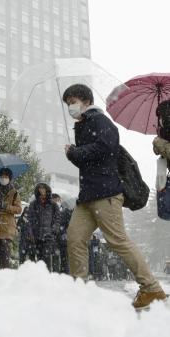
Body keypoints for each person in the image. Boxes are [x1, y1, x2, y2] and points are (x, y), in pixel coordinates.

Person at [62, 83, 166, 310]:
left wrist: (75, 152)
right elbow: (87, 158)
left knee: (117, 240)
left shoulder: (100, 121)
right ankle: (78, 289)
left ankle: (151, 288)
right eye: (68, 103)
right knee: (75, 238)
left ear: (86, 100)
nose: (71, 106)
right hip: (87, 196)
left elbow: (106, 148)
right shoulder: (82, 125)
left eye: (73, 101)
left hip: (106, 193)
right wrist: (74, 153)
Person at [0, 168, 22, 269]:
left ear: (9, 178)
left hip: (7, 227)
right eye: (2, 177)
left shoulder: (14, 192)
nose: (4, 179)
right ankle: (3, 274)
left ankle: (6, 274)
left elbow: (19, 209)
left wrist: (6, 206)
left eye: (6, 177)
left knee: (5, 255)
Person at [28, 182, 61, 271]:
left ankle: (48, 280)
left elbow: (57, 219)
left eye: (43, 188)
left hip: (48, 237)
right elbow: (30, 220)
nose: (41, 190)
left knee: (47, 260)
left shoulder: (53, 205)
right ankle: (40, 280)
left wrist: (53, 230)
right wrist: (31, 232)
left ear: (47, 190)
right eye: (40, 188)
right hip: (36, 236)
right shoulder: (33, 204)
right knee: (39, 260)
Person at [51, 193, 72, 274]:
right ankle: (56, 275)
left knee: (65, 258)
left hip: (63, 238)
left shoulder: (66, 211)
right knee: (55, 256)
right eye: (53, 200)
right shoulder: (49, 211)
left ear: (60, 200)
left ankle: (65, 275)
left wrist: (65, 233)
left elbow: (69, 224)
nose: (56, 202)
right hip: (53, 238)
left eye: (57, 200)